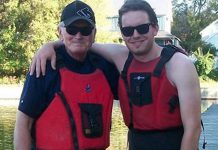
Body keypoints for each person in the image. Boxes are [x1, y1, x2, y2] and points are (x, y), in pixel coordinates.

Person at [30, 0, 202, 150]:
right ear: (122, 34)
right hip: (137, 143)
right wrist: (49, 46)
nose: (135, 35)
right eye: (128, 31)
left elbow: (193, 127)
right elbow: (82, 42)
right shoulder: (121, 57)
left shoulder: (180, 65)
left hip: (173, 143)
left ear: (155, 28)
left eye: (142, 28)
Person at [14, 1, 119, 150]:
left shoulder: (105, 68)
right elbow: (24, 123)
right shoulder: (45, 66)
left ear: (94, 33)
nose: (78, 35)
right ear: (60, 32)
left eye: (86, 30)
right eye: (71, 29)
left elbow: (129, 54)